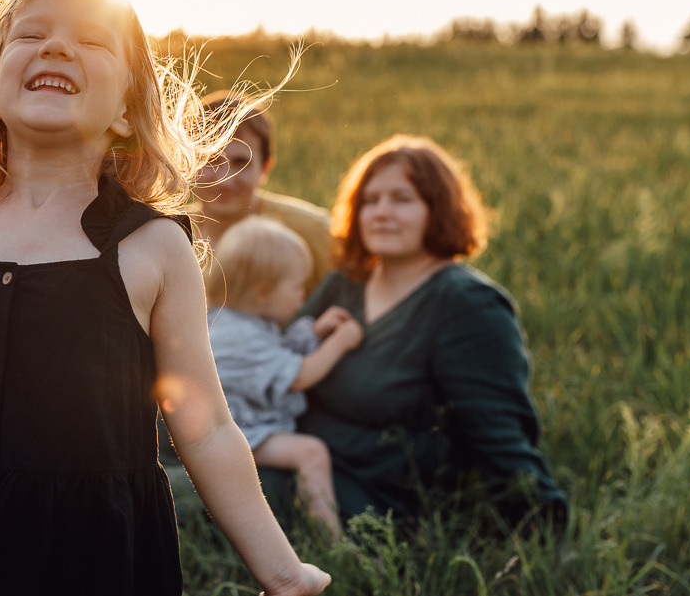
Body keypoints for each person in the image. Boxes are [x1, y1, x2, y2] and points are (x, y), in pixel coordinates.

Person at [0, 0, 330, 596]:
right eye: (30, 35)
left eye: (92, 40)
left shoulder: (151, 246)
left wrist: (283, 570)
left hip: (86, 551)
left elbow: (207, 427)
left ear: (127, 114)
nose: (57, 46)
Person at [295, 134, 567, 527]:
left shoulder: (468, 304)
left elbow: (498, 434)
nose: (381, 213)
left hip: (373, 494)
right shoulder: (346, 282)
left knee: (183, 501)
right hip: (286, 449)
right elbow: (278, 361)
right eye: (370, 201)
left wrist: (543, 527)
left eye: (402, 199)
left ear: (437, 210)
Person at [204, 216, 364, 539]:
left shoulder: (243, 320)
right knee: (311, 452)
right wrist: (339, 343)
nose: (303, 295)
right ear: (263, 293)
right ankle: (333, 542)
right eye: (297, 286)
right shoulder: (236, 337)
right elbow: (300, 375)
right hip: (234, 433)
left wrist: (315, 330)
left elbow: (277, 354)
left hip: (245, 422)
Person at [190, 91, 331, 295]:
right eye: (210, 161)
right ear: (187, 164)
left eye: (241, 163)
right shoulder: (169, 234)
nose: (225, 180)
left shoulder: (311, 230)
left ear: (265, 168)